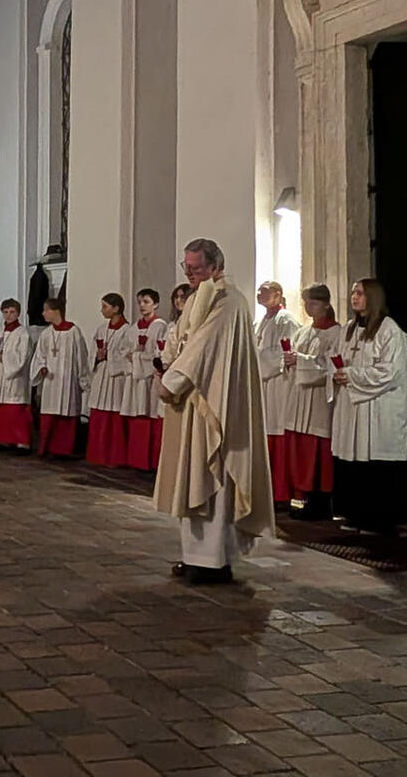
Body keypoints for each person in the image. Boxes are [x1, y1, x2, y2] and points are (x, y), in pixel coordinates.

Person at [155, 238, 275, 585]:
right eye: (186, 267)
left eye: (196, 268)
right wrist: (165, 360)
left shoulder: (228, 301)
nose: (189, 273)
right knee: (191, 474)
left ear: (215, 266)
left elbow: (203, 347)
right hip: (194, 401)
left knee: (213, 476)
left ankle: (213, 560)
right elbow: (181, 337)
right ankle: (194, 555)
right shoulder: (198, 298)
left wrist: (172, 382)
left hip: (216, 405)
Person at [326, 278, 407, 535]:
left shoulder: (389, 330)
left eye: (360, 293)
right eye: (353, 292)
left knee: (375, 461)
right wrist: (336, 373)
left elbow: (390, 371)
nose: (354, 297)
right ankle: (355, 513)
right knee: (352, 458)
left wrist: (351, 375)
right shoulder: (349, 328)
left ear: (373, 297)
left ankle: (380, 519)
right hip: (352, 405)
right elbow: (333, 358)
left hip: (378, 406)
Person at [281, 285, 339, 518]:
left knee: (316, 450)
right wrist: (288, 360)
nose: (309, 307)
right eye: (306, 302)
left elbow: (330, 366)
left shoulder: (336, 333)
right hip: (298, 397)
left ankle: (320, 502)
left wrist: (301, 360)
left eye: (314, 303)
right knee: (298, 449)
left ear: (326, 304)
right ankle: (301, 499)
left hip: (318, 399)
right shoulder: (303, 332)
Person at [252, 283, 302, 502]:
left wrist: (256, 360)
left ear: (278, 294)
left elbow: (285, 353)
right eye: (259, 291)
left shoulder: (286, 320)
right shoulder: (260, 321)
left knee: (277, 430)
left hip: (279, 384)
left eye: (264, 290)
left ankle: (281, 491)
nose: (259, 294)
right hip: (263, 385)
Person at [122, 289, 171, 472]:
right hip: (136, 380)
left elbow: (160, 353)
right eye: (140, 302)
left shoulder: (160, 326)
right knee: (137, 416)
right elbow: (125, 350)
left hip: (150, 378)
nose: (142, 306)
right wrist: (134, 356)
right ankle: (137, 459)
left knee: (151, 415)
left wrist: (138, 356)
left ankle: (152, 461)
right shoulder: (134, 328)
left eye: (146, 302)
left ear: (155, 304)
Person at [32, 299, 88, 458]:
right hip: (51, 381)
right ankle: (46, 448)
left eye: (46, 310)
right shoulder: (46, 334)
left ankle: (64, 450)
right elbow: (39, 356)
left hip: (68, 380)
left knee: (66, 413)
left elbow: (81, 356)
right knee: (49, 414)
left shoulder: (74, 332)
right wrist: (41, 367)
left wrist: (83, 379)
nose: (43, 313)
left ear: (55, 311)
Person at [86, 293, 134, 467]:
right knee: (99, 412)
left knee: (114, 415)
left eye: (105, 307)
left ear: (116, 308)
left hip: (116, 377)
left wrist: (110, 356)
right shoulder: (101, 329)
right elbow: (93, 351)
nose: (102, 310)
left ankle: (115, 457)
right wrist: (97, 356)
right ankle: (97, 455)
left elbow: (128, 354)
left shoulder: (128, 330)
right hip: (101, 375)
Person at [0, 297, 35, 453]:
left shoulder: (22, 333)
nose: (8, 315)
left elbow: (23, 357)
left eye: (12, 312)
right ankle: (4, 440)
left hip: (14, 378)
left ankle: (22, 443)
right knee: (1, 410)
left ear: (18, 313)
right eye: (5, 312)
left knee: (15, 411)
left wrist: (5, 357)